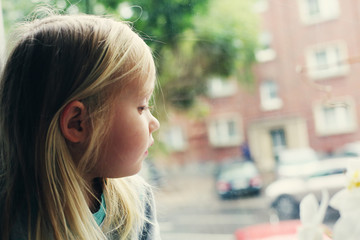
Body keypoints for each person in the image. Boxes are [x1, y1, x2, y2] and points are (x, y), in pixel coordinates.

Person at [0, 12, 161, 240]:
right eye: (142, 107)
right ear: (78, 123)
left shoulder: (138, 201)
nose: (154, 123)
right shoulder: (13, 222)